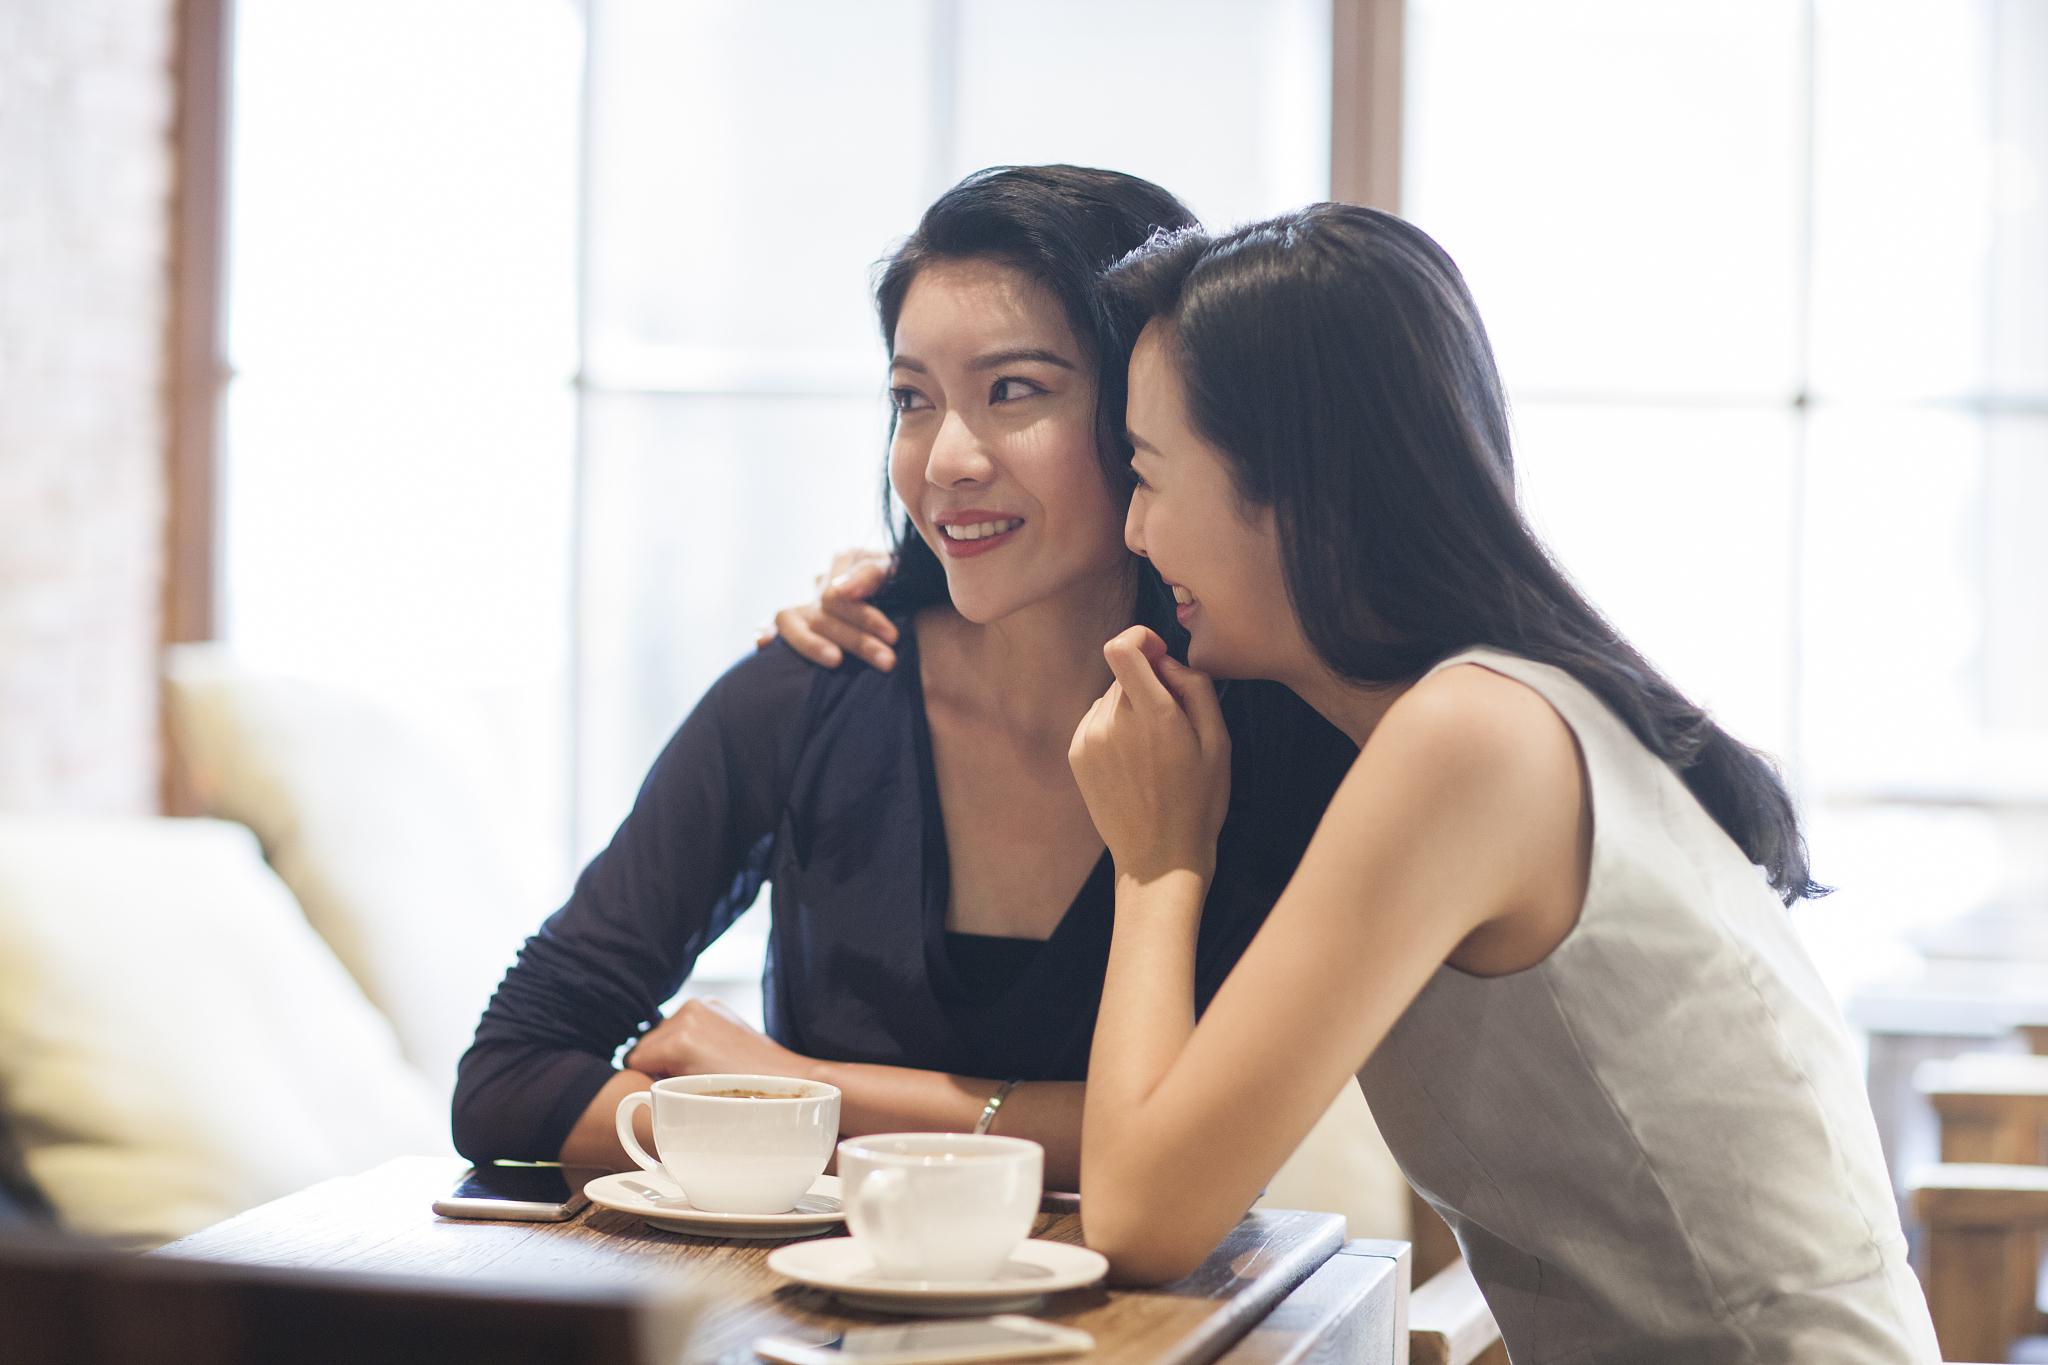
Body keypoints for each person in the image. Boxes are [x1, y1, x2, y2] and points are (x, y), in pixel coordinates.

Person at [1041, 203, 1940, 1360]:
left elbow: (1139, 1218)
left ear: (1295, 485)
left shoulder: (1471, 739)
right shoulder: (1487, 713)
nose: (1132, 525)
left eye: (1151, 473)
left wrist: (1157, 862)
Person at [449, 166, 1353, 1189]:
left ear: (1145, 411)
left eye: (1013, 391)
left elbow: (1203, 1140)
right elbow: (508, 1081)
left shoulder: (1269, 730)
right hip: (814, 1325)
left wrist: (797, 1094)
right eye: (913, 400)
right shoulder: (814, 684)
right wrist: (779, 1115)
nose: (945, 458)